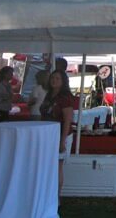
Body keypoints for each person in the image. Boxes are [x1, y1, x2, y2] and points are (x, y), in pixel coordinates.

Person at [41, 70, 75, 203]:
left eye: (57, 78)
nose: (54, 80)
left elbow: (67, 120)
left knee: (58, 166)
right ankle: (49, 195)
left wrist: (62, 141)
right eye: (52, 78)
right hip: (48, 135)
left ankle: (57, 197)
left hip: (61, 135)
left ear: (63, 82)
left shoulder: (65, 97)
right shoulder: (49, 95)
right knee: (49, 166)